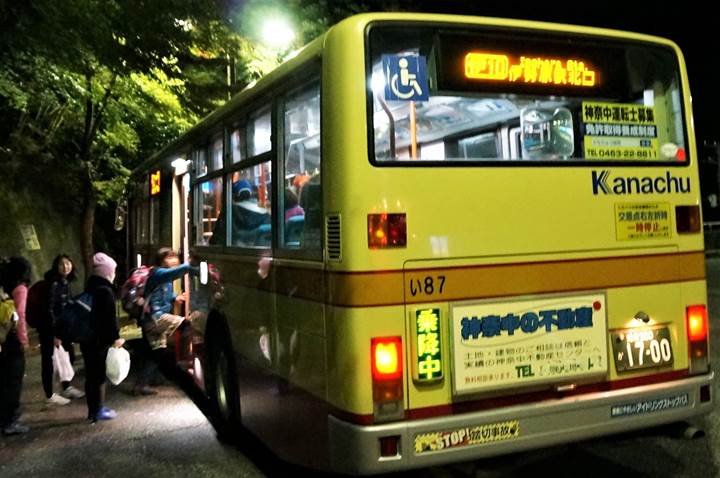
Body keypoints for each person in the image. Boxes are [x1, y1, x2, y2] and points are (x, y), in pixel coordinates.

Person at [81, 252, 124, 423]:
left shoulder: (91, 286)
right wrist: (116, 338)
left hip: (87, 338)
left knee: (91, 375)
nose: (114, 274)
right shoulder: (105, 291)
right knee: (98, 376)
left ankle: (94, 409)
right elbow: (108, 320)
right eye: (112, 271)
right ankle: (97, 411)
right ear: (106, 272)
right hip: (98, 340)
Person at [39, 254, 84, 407]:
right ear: (55, 267)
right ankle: (49, 395)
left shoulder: (64, 282)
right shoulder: (53, 284)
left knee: (67, 356)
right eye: (61, 264)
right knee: (49, 361)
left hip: (62, 328)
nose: (65, 267)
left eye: (68, 263)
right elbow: (49, 310)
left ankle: (66, 387)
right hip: (49, 329)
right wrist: (54, 334)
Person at [0, 257, 32, 435]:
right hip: (12, 340)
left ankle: (5, 418)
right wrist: (24, 340)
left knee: (4, 379)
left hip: (2, 339)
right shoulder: (20, 289)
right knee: (13, 380)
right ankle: (10, 421)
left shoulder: (4, 284)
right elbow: (20, 316)